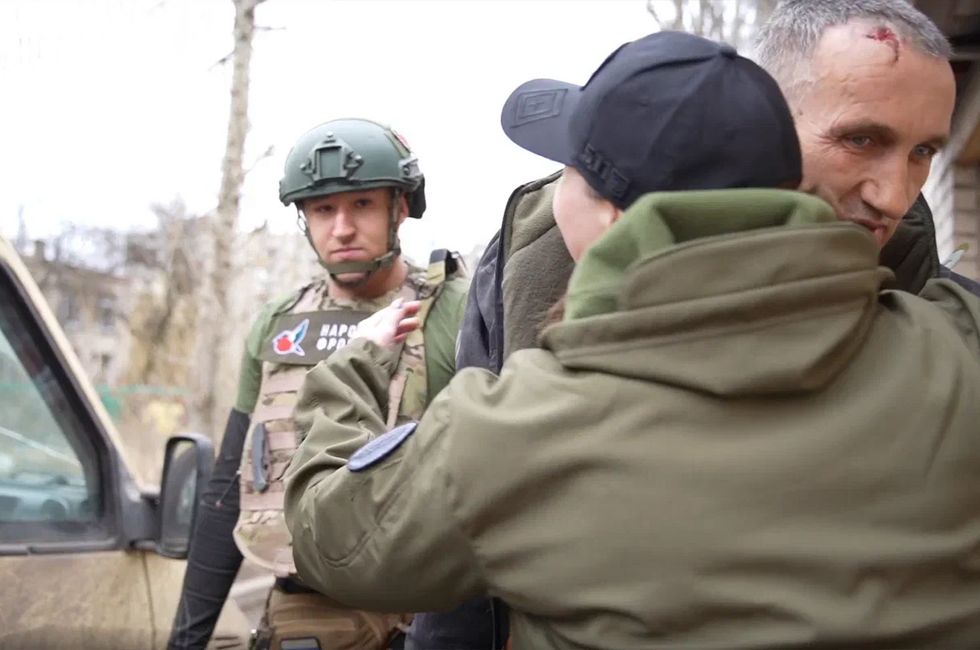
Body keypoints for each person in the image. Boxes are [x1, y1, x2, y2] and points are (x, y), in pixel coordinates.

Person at [285, 30, 980, 648]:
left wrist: (352, 368)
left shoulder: (524, 428)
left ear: (612, 214)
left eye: (569, 170)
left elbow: (337, 539)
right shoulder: (957, 344)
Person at [167, 118, 468, 650]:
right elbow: (231, 487)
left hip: (426, 611)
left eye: (362, 205)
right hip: (304, 614)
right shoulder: (279, 324)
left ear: (400, 207)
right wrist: (186, 639)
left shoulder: (454, 313)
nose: (342, 229)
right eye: (323, 210)